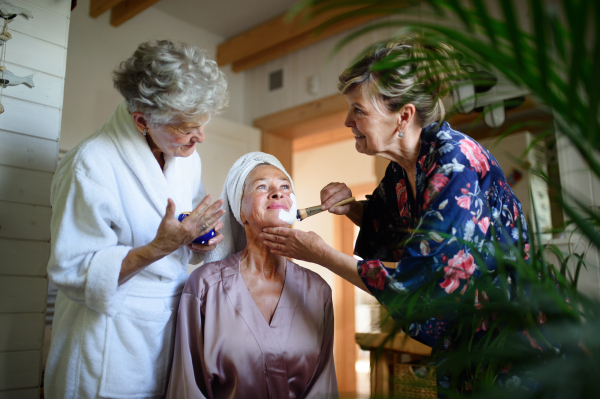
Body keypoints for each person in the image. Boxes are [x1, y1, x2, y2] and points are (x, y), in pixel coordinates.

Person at [260, 35, 531, 393]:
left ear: (403, 116)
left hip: (513, 349)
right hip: (463, 350)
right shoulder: (401, 172)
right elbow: (392, 228)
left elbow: (418, 281)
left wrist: (318, 253)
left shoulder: (455, 164)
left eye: (358, 110)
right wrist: (353, 208)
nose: (346, 121)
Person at [44, 40, 228, 399]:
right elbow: (72, 271)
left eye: (203, 124)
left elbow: (182, 225)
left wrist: (196, 238)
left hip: (166, 329)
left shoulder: (186, 156)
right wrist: (159, 248)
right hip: (106, 341)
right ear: (142, 119)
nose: (200, 137)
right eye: (187, 126)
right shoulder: (90, 164)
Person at [166, 152, 338, 399]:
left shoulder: (318, 291)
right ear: (240, 212)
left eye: (284, 186)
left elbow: (324, 387)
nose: (277, 192)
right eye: (261, 186)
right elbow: (187, 387)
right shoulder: (204, 287)